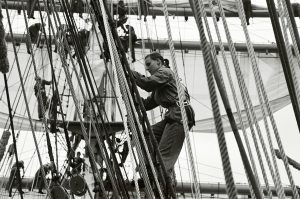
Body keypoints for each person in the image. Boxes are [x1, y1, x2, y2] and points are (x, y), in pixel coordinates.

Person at [131, 52, 195, 192]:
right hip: (172, 116)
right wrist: (132, 100)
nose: (147, 68)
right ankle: (150, 171)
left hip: (179, 115)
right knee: (146, 134)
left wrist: (130, 74)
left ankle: (163, 180)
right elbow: (148, 104)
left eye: (149, 64)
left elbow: (147, 84)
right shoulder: (160, 85)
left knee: (163, 155)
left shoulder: (164, 72)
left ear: (159, 62)